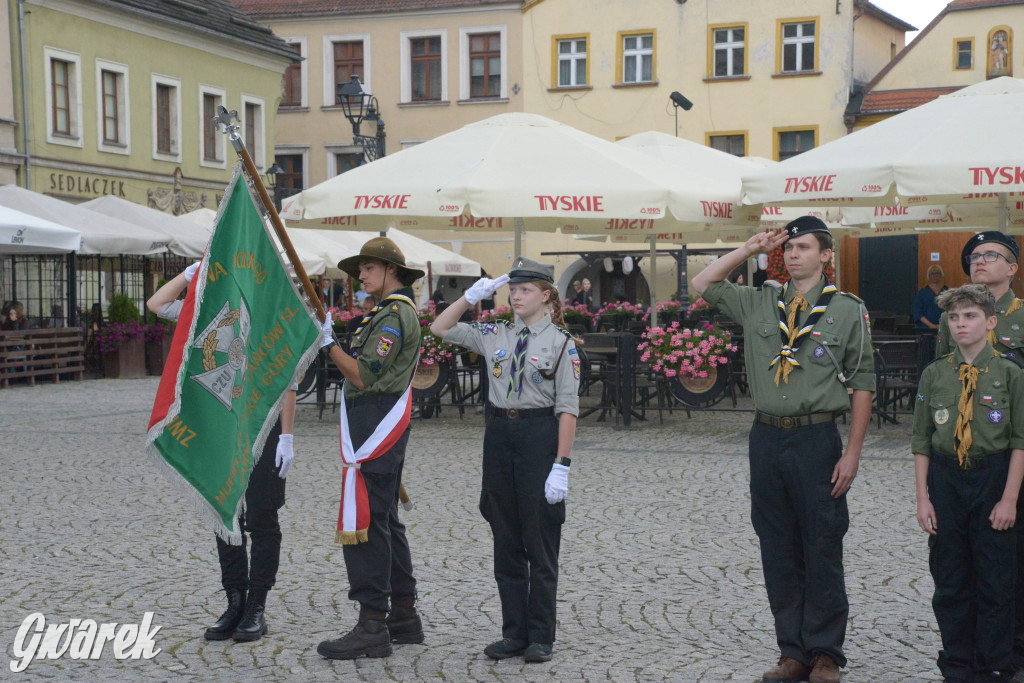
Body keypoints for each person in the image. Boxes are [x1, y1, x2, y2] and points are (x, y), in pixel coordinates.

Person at [692, 217, 875, 683]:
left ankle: (825, 654)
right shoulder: (759, 302)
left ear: (826, 256)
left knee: (822, 543)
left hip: (817, 438)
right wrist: (746, 248)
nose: (794, 254)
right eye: (789, 247)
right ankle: (791, 651)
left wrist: (851, 452)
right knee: (776, 547)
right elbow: (702, 283)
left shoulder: (848, 310)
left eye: (805, 247)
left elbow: (862, 384)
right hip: (767, 437)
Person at [430, 257, 580, 663]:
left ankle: (541, 635)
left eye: (526, 289)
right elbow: (440, 328)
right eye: (512, 289)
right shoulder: (494, 333)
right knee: (506, 542)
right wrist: (467, 297)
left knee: (540, 540)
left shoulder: (562, 343)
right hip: (498, 437)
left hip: (538, 437)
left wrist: (561, 465)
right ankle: (513, 632)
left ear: (546, 295)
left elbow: (568, 408)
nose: (516, 295)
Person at [147, 262, 297, 643]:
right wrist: (189, 275)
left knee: (262, 519)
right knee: (224, 515)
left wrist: (287, 437)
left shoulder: (272, 313)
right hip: (222, 428)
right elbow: (157, 303)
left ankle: (257, 605)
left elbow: (288, 384)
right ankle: (235, 599)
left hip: (263, 430)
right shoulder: (209, 311)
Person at [316, 236, 424, 661]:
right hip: (376, 420)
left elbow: (362, 375)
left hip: (376, 421)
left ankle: (372, 624)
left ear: (392, 271)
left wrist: (329, 345)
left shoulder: (394, 315)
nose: (360, 275)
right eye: (360, 268)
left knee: (368, 521)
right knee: (385, 520)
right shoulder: (384, 312)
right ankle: (402, 615)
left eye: (368, 267)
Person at [913, 284, 1024, 683]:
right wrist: (923, 499)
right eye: (955, 317)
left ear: (991, 322)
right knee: (950, 577)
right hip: (946, 478)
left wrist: (1009, 499)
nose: (961, 324)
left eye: (970, 316)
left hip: (993, 477)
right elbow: (922, 440)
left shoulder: (1010, 374)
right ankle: (957, 661)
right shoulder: (935, 372)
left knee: (996, 576)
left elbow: (1020, 441)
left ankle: (994, 661)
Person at [914, 265, 948, 330]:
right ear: (929, 276)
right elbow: (918, 313)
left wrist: (941, 325)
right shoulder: (922, 293)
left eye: (937, 273)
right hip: (925, 328)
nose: (935, 276)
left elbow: (951, 311)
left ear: (941, 275)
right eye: (932, 274)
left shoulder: (947, 292)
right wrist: (931, 325)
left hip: (945, 328)